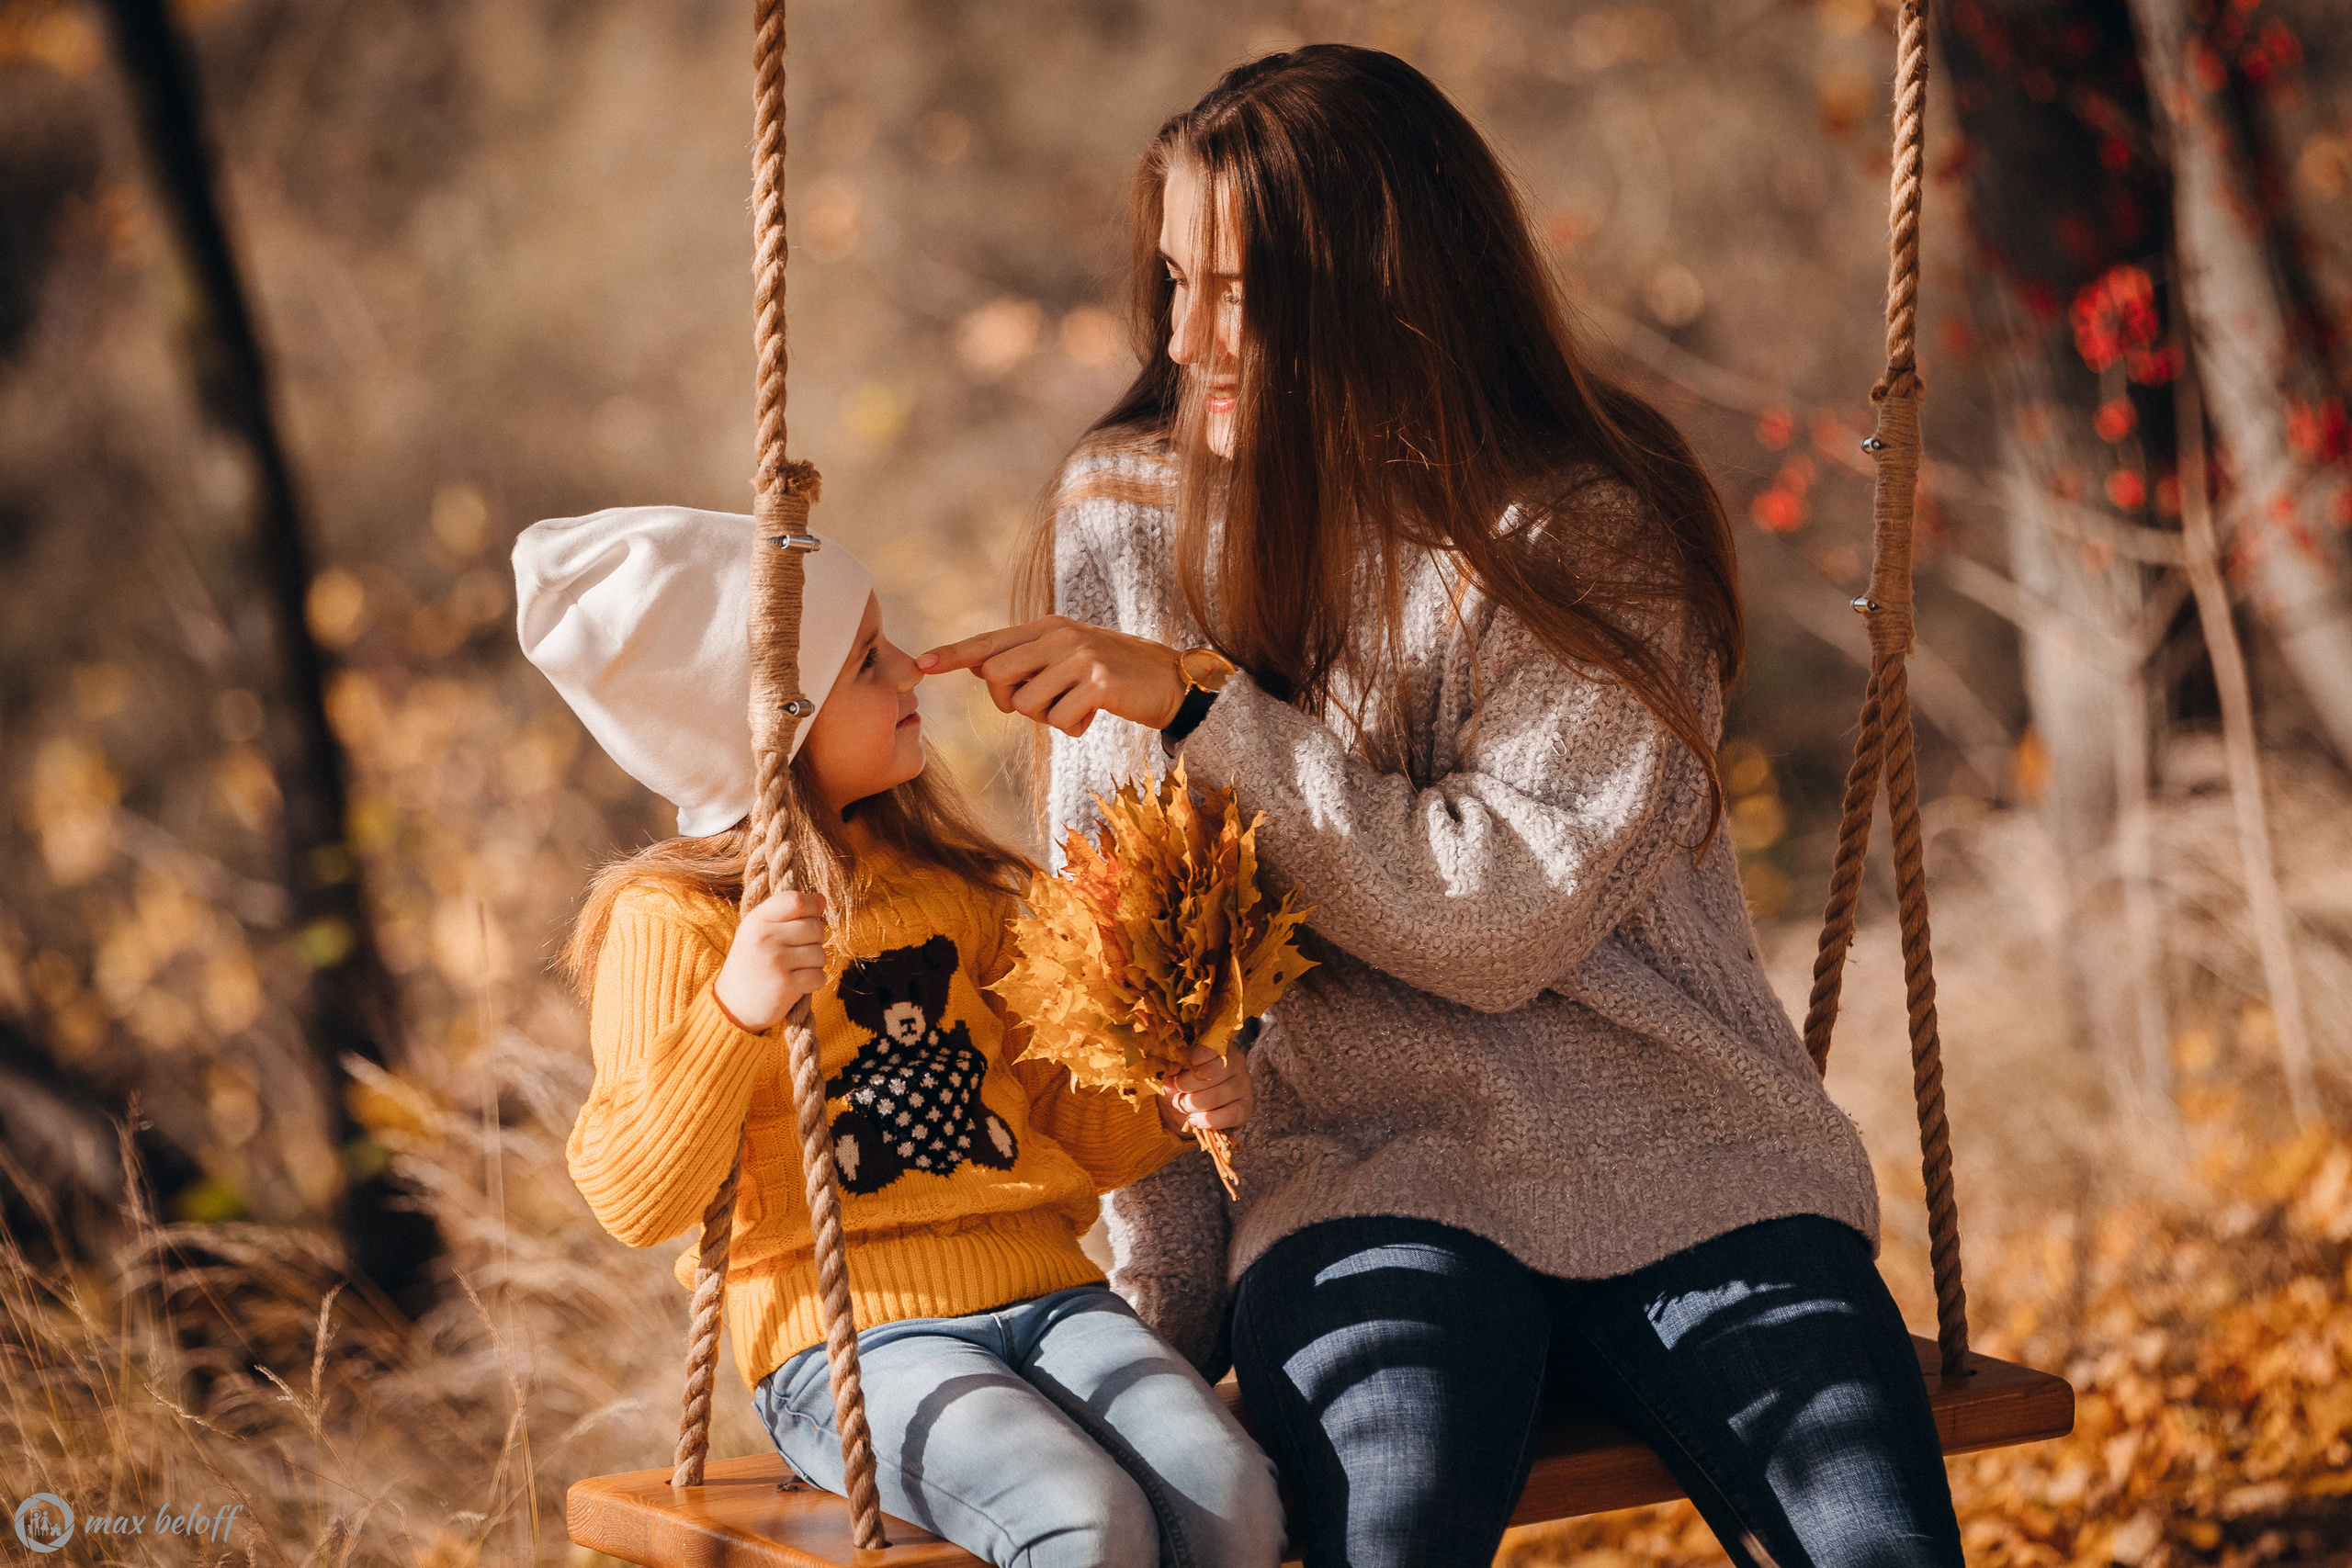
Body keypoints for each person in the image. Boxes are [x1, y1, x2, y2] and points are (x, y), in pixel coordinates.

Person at [918, 45, 1968, 1568]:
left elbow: (1493, 918)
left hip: (1690, 1160)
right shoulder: (1129, 512)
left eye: (1237, 293)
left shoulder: (1584, 527)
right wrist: (1169, 1302)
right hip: (1364, 1176)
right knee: (1385, 1535)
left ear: (1380, 293)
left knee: (1880, 1547)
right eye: (1172, 282)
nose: (1185, 337)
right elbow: (1127, 950)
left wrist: (1205, 707)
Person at [514, 504, 1283, 1568]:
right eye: (868, 661)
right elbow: (634, 1195)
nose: (913, 667)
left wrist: (1163, 1099)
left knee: (1231, 1497)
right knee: (1083, 1520)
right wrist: (735, 1011)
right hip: (850, 1344)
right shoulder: (678, 920)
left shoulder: (963, 892)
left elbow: (1066, 1131)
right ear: (766, 728)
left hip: (1053, 1297)